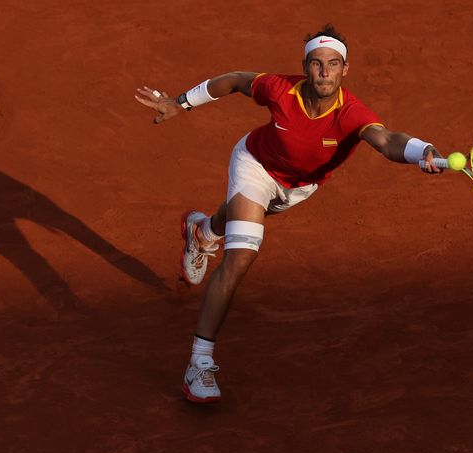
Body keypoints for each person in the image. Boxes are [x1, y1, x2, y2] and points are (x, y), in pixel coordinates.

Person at [134, 24, 445, 403]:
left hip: (298, 188)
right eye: (317, 64)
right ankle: (199, 362)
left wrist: (422, 150)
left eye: (333, 64)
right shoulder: (280, 89)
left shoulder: (351, 114)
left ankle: (203, 232)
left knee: (240, 220)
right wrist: (179, 103)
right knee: (241, 255)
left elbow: (387, 140)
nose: (324, 72)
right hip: (255, 165)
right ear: (306, 66)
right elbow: (232, 80)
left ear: (345, 70)